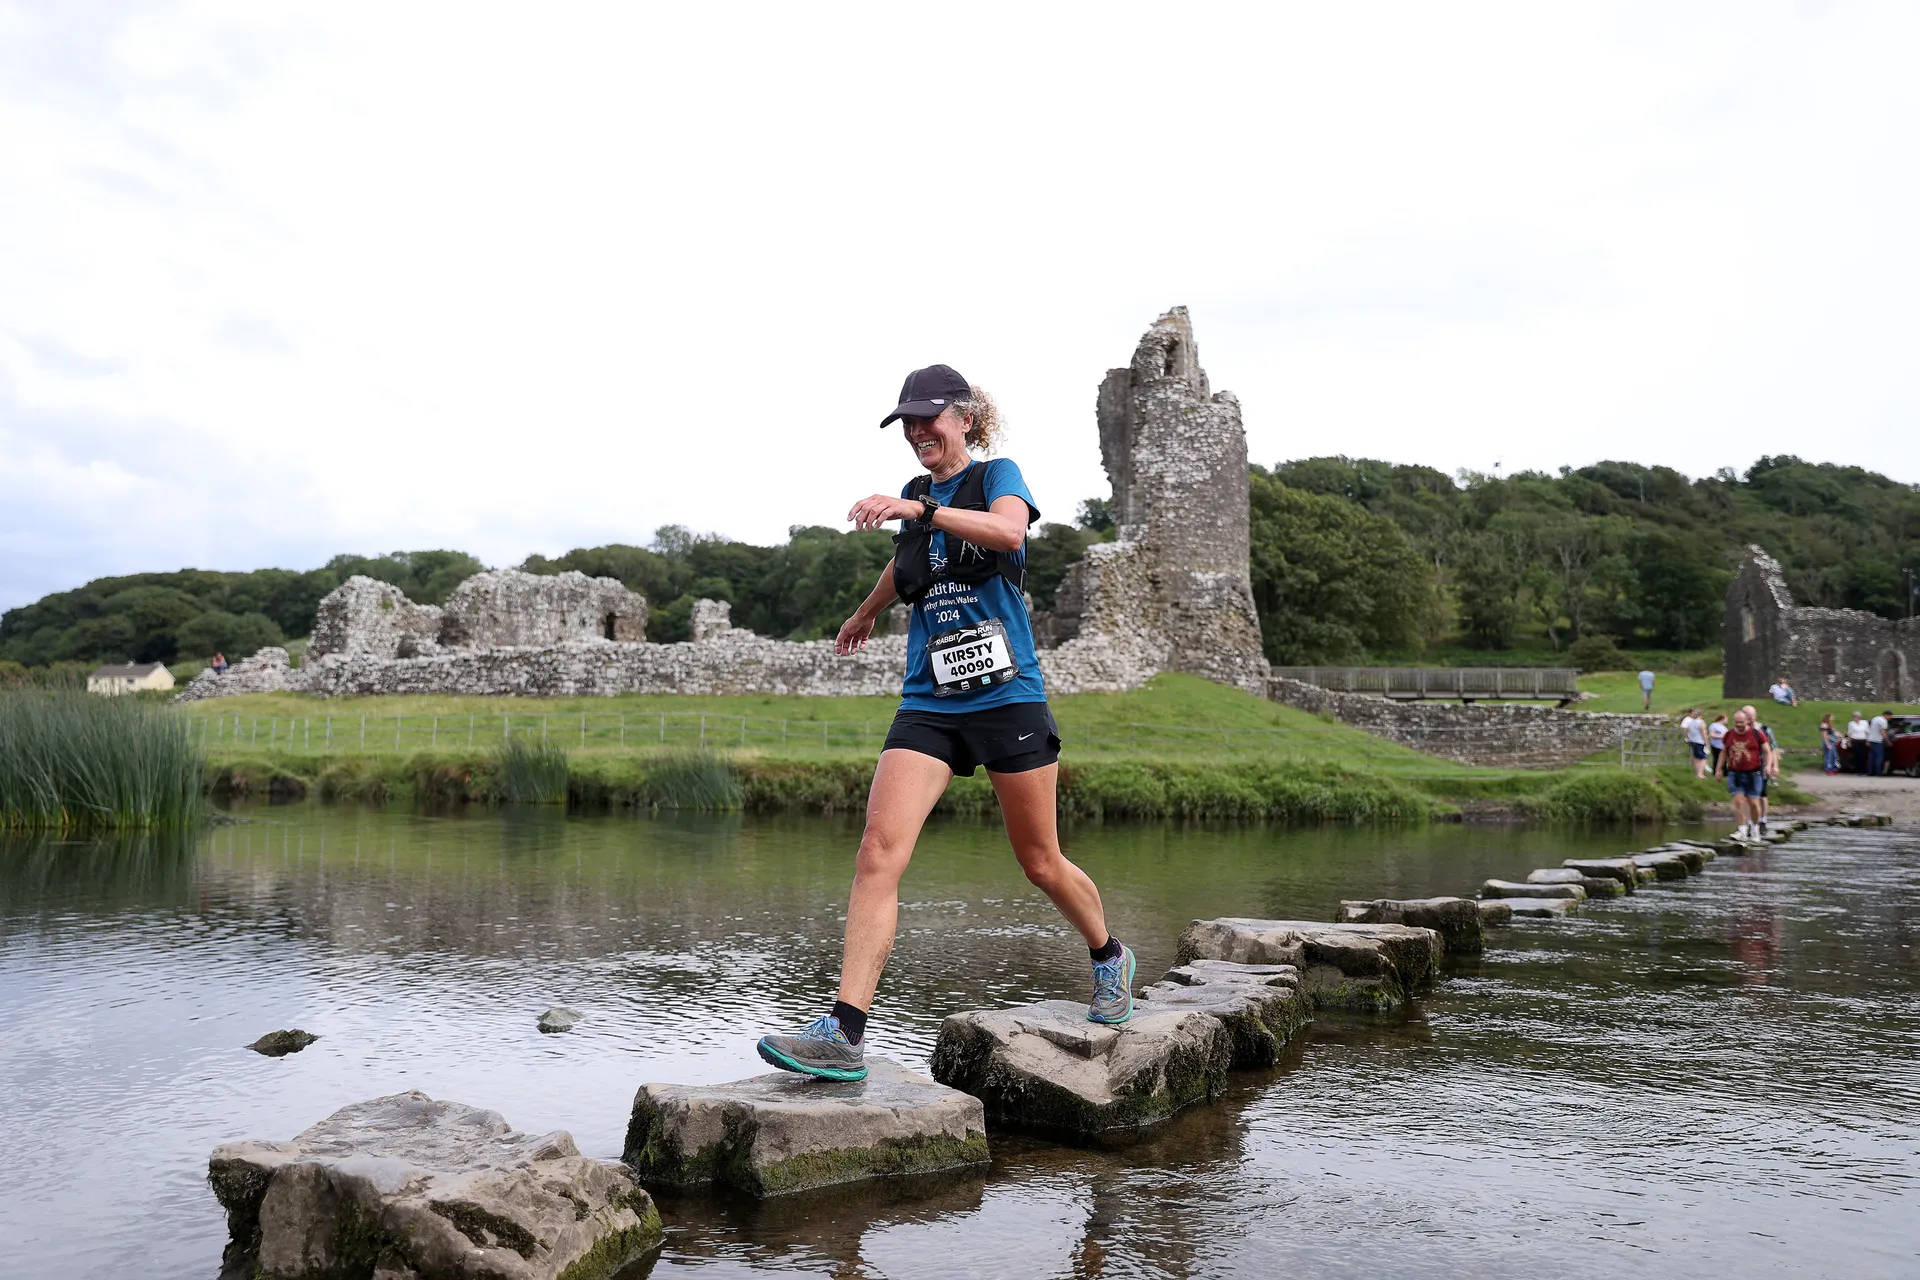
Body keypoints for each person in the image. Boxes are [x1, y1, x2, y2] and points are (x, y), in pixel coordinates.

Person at [754, 364, 1132, 1083]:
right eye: (908, 422)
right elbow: (906, 568)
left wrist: (921, 512)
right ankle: (845, 1030)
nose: (918, 431)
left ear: (964, 416)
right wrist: (865, 612)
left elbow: (1007, 536)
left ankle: (1109, 956)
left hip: (1006, 697)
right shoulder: (918, 499)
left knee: (1040, 862)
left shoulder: (995, 477)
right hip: (929, 700)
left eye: (929, 418)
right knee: (877, 852)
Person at [1716, 708, 1767, 840]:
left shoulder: (1757, 734)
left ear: (1748, 721)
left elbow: (1767, 750)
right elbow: (1724, 752)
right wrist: (1718, 769)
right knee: (1738, 801)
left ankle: (1755, 829)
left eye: (1741, 722)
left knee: (1754, 803)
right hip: (1735, 772)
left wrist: (1770, 765)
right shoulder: (1729, 734)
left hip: (1754, 773)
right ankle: (1742, 831)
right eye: (1736, 722)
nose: (1739, 725)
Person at [1742, 703, 1779, 835]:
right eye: (1747, 716)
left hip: (1762, 766)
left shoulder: (1764, 729)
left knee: (1761, 795)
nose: (1750, 718)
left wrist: (1774, 766)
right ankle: (1746, 822)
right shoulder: (1740, 730)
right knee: (1746, 795)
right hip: (1745, 767)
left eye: (1752, 716)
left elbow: (1772, 749)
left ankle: (1762, 820)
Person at [1680, 707, 1708, 779]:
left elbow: (1687, 730)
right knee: (1702, 758)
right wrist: (1707, 742)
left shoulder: (1691, 722)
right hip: (1700, 741)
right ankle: (1700, 774)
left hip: (1693, 741)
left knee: (1696, 757)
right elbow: (1703, 733)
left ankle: (1697, 772)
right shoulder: (1701, 722)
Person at [1869, 709, 1891, 777]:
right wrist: (1888, 741)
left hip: (1872, 740)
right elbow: (1883, 731)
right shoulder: (1883, 721)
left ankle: (1870, 771)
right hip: (1878, 741)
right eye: (1890, 717)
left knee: (1872, 757)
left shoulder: (1875, 718)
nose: (1890, 718)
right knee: (1879, 757)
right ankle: (1878, 772)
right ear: (1886, 715)